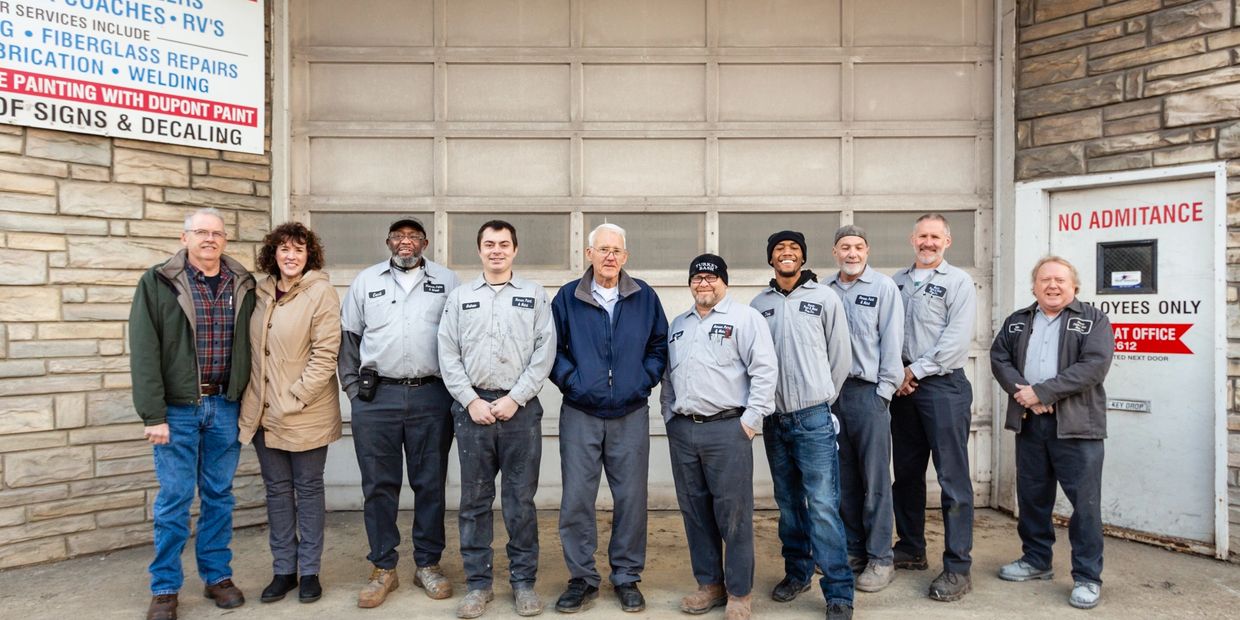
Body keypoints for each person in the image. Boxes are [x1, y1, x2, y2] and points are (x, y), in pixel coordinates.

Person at [129, 207, 256, 620]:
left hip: (224, 405)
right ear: (184, 238)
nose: (209, 239)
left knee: (219, 496)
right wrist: (152, 415)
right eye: (201, 232)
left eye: (217, 233)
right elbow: (144, 351)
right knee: (175, 499)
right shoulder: (158, 282)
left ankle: (217, 577)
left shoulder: (243, 283)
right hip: (178, 409)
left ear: (225, 239)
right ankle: (165, 587)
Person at [339, 217, 460, 609]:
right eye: (398, 236)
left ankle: (428, 563)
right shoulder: (366, 281)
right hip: (378, 399)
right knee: (378, 485)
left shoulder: (448, 281)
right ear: (388, 241)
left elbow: (462, 334)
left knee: (430, 484)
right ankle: (383, 567)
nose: (405, 242)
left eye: (413, 237)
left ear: (425, 242)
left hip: (432, 396)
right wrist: (355, 393)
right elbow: (349, 340)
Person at [438, 220, 556, 619]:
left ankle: (523, 583)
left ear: (515, 250)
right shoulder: (459, 297)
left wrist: (517, 398)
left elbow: (545, 352)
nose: (496, 251)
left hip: (519, 412)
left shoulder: (534, 295)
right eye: (489, 244)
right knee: (474, 501)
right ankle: (478, 585)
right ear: (479, 250)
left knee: (520, 501)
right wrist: (470, 400)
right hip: (473, 412)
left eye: (504, 244)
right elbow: (447, 354)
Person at [550, 223, 668, 614]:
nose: (610, 257)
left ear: (626, 256)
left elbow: (658, 345)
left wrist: (643, 380)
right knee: (577, 501)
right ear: (589, 254)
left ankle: (626, 577)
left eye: (616, 250)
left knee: (631, 499)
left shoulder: (644, 297)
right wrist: (574, 383)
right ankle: (582, 578)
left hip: (630, 413)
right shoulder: (568, 297)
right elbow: (554, 350)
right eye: (602, 249)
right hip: (581, 412)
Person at [990, 256, 1113, 610]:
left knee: (1085, 506)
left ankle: (1088, 576)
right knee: (1032, 497)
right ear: (1034, 286)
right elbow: (1000, 359)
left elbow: (1093, 367)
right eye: (1045, 279)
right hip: (1030, 422)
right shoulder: (1018, 321)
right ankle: (1036, 560)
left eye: (1060, 279)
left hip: (1077, 426)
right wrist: (1025, 393)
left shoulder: (1093, 320)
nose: (1052, 285)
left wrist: (1043, 393)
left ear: (1074, 285)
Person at [661, 254, 777, 620]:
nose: (703, 283)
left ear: (724, 281)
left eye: (711, 278)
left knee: (734, 515)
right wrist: (670, 418)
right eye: (697, 277)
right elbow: (668, 378)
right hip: (684, 430)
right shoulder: (678, 324)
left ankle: (739, 592)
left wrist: (750, 422)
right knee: (695, 512)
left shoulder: (745, 319)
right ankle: (709, 584)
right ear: (690, 282)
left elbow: (764, 370)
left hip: (728, 429)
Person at [751, 231, 855, 620]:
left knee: (824, 505)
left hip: (812, 417)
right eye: (779, 249)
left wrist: (822, 399)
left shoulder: (824, 298)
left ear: (803, 257)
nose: (787, 253)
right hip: (774, 420)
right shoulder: (758, 305)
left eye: (793, 249)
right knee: (789, 503)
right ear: (771, 259)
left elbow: (840, 357)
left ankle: (839, 592)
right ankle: (797, 572)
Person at [238, 222, 342, 605]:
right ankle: (284, 569)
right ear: (273, 254)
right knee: (278, 493)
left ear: (308, 255)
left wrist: (294, 396)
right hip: (263, 411)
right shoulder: (260, 292)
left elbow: (326, 354)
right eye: (284, 248)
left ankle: (310, 570)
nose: (291, 255)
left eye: (299, 249)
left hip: (304, 411)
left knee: (309, 491)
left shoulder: (321, 293)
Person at [890, 213, 978, 602]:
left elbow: (956, 341)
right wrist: (897, 374)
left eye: (935, 237)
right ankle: (910, 547)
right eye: (922, 236)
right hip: (903, 391)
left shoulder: (958, 282)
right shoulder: (896, 282)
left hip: (942, 387)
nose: (928, 243)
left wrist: (913, 371)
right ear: (913, 240)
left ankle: (958, 567)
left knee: (952, 481)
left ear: (947, 241)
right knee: (906, 475)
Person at [826, 225, 903, 592]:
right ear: (835, 253)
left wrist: (884, 392)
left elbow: (892, 342)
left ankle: (880, 558)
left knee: (875, 480)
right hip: (833, 397)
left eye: (858, 247)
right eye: (845, 247)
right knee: (844, 479)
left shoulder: (884, 288)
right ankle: (854, 550)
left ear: (868, 251)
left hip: (868, 393)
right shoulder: (823, 291)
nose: (852, 253)